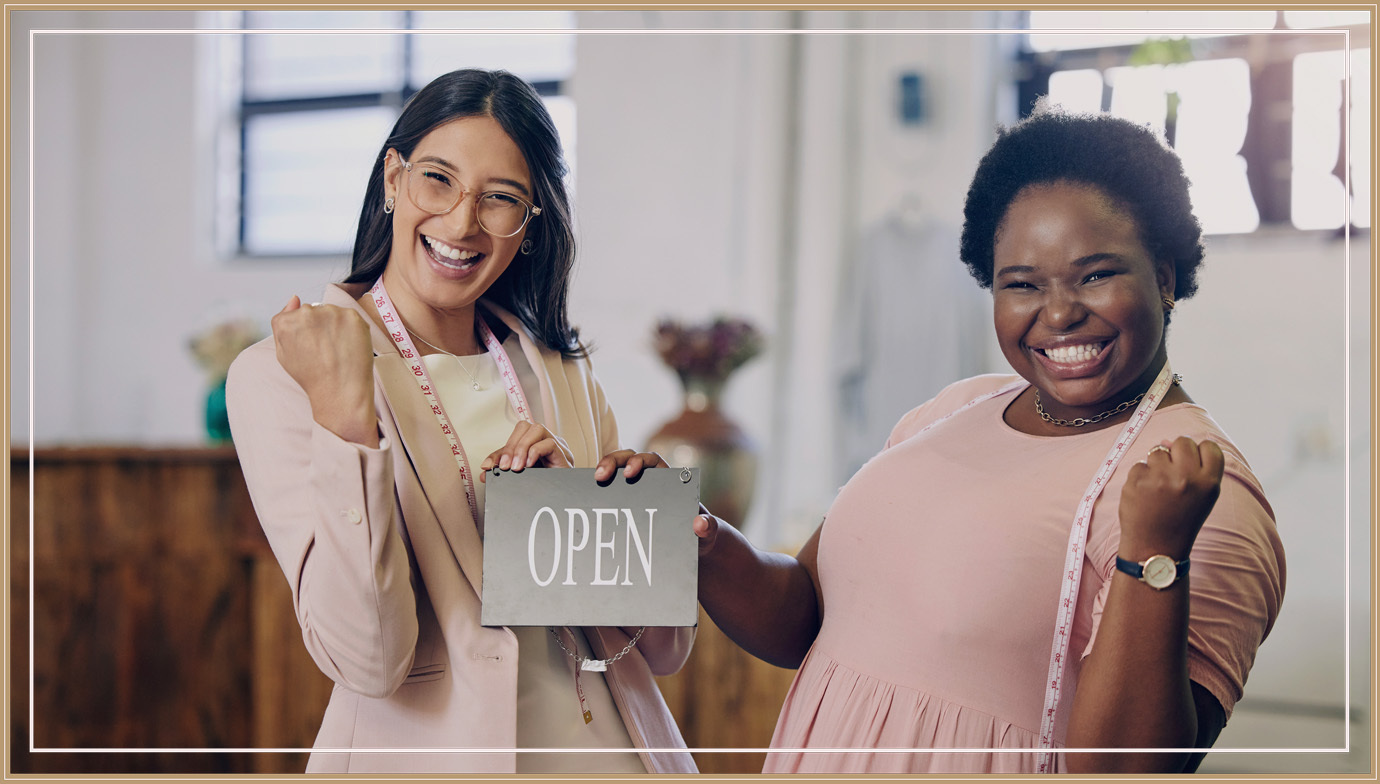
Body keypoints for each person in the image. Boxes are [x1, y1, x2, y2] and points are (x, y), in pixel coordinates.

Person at [612, 104, 1285, 774]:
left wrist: (1154, 554)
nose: (1058, 313)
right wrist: (703, 539)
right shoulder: (952, 410)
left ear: (1164, 277)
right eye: (1022, 284)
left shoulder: (1198, 488)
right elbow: (804, 617)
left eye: (1095, 275)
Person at [226, 68, 695, 775]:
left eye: (500, 198)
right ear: (393, 178)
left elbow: (662, 652)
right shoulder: (280, 376)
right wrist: (346, 421)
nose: (461, 223)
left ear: (530, 224)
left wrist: (627, 526)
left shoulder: (564, 372)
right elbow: (368, 658)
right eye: (438, 180)